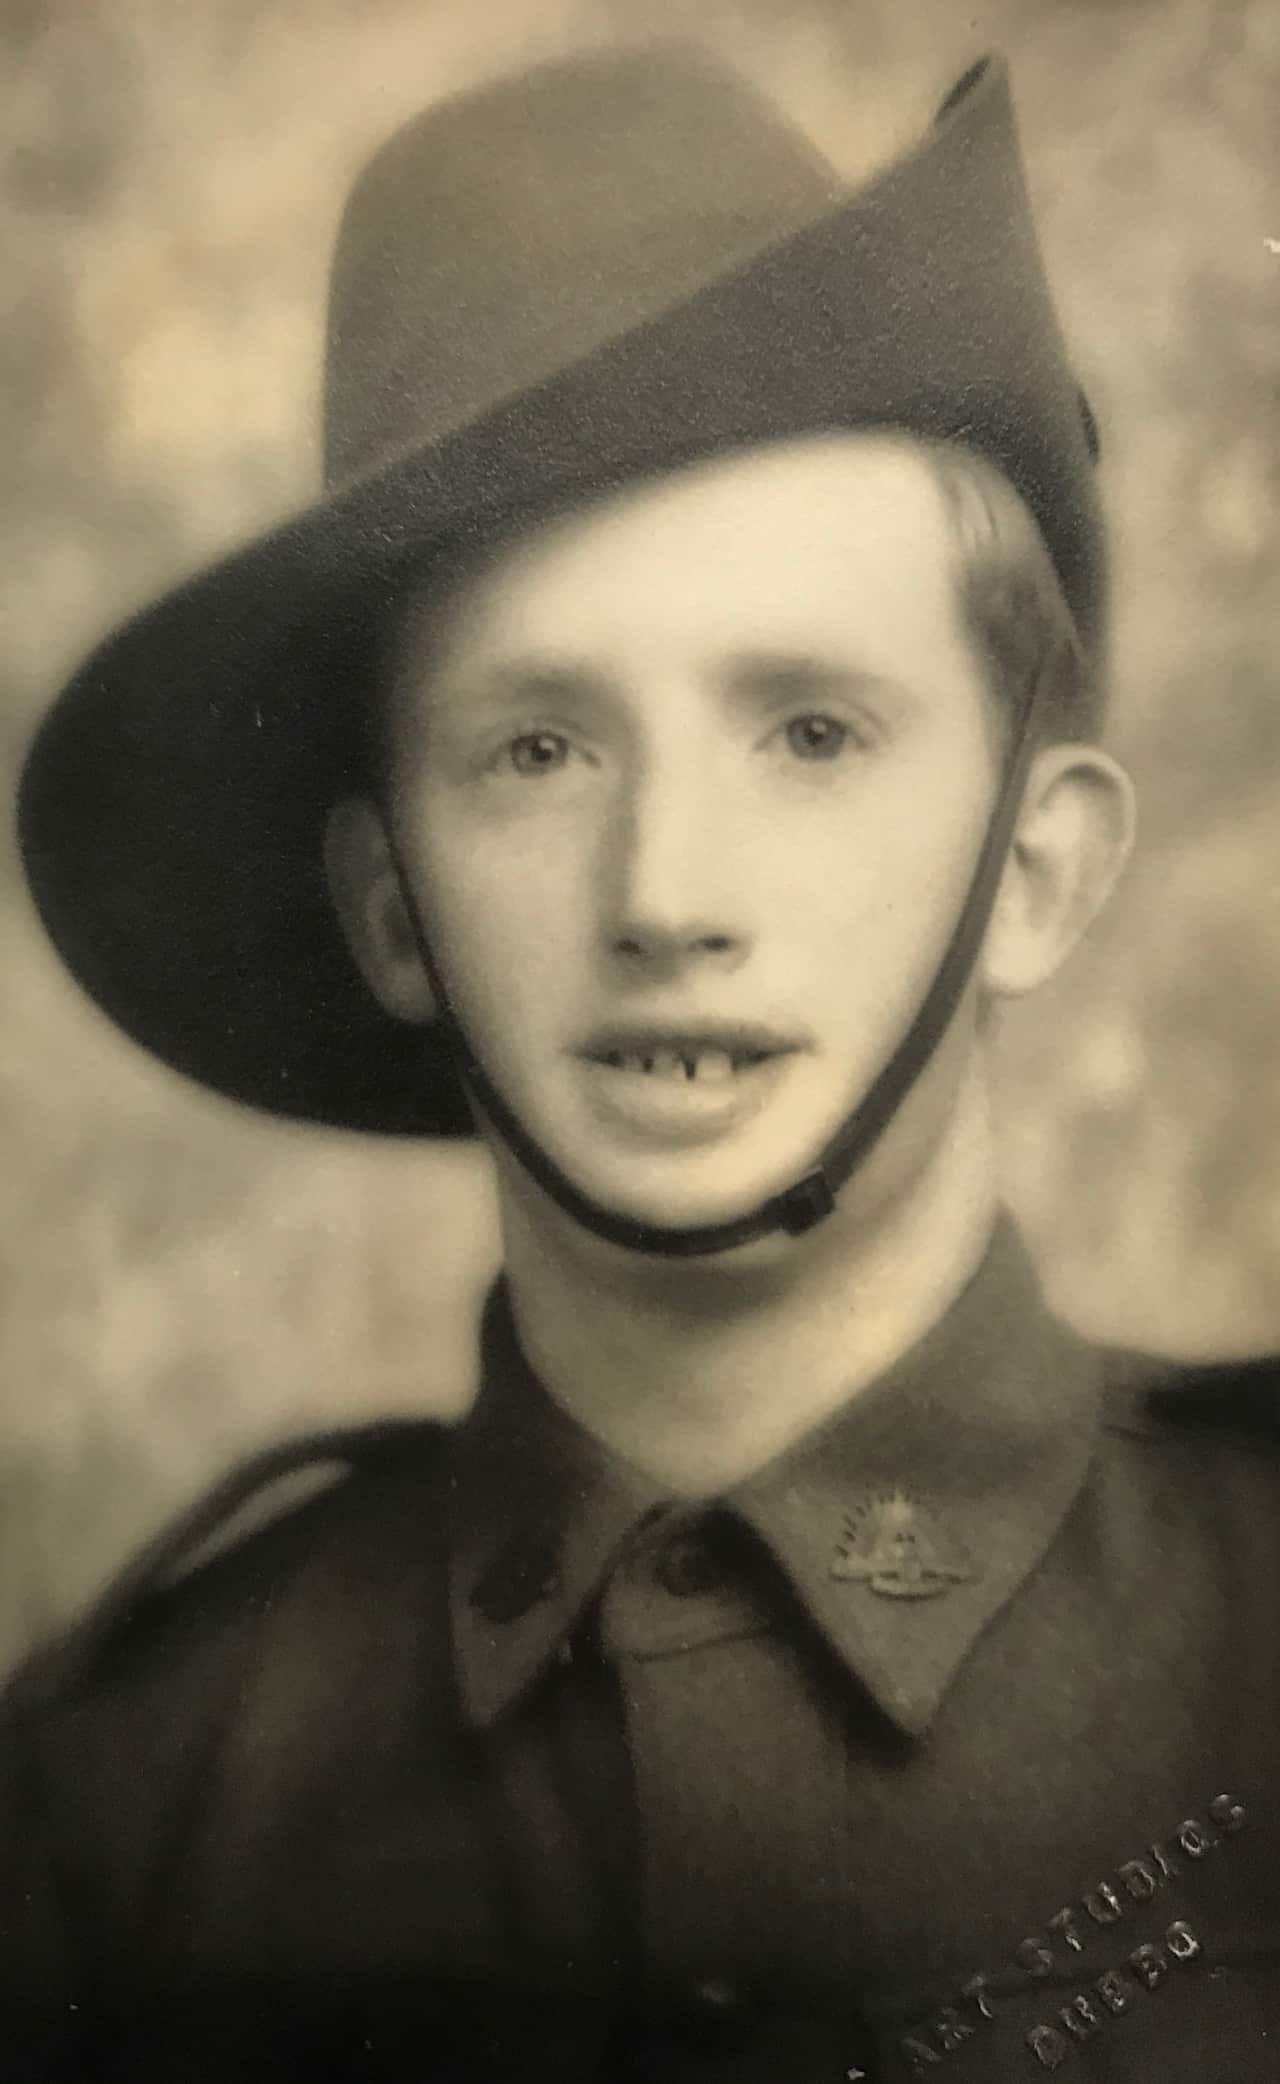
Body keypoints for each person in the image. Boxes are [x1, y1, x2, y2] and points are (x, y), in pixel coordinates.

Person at [3, 39, 1277, 2084]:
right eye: (535, 751)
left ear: (1034, 869)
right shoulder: (124, 1803)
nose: (664, 892)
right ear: (393, 911)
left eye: (810, 732)